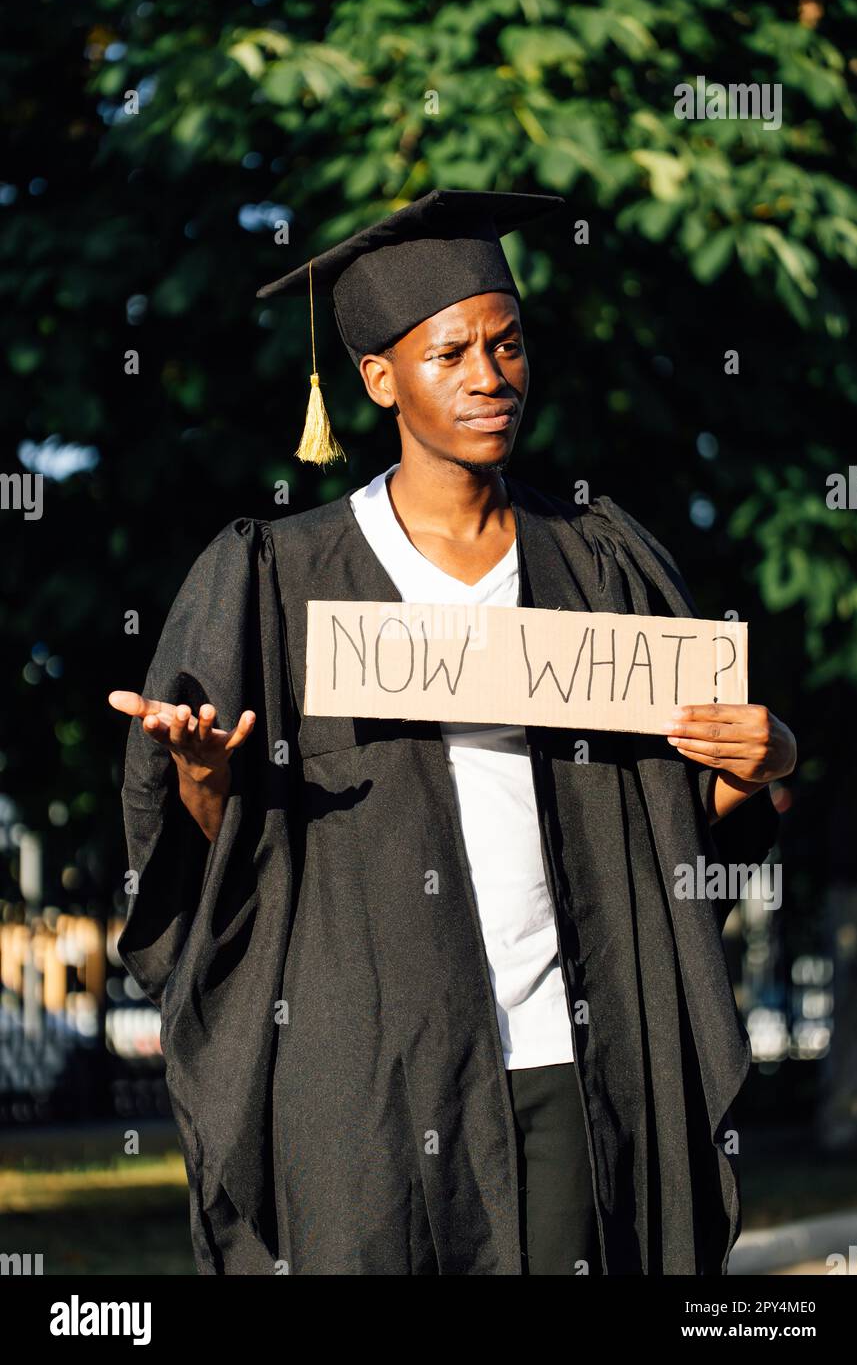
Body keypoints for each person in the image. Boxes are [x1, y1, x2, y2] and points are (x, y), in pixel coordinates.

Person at [108, 188, 796, 1276]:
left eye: (506, 343)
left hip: (577, 1058)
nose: (488, 375)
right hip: (365, 1086)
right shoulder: (275, 582)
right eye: (449, 353)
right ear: (378, 379)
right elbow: (199, 864)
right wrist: (198, 778)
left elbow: (681, 830)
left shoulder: (600, 564)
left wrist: (761, 766)